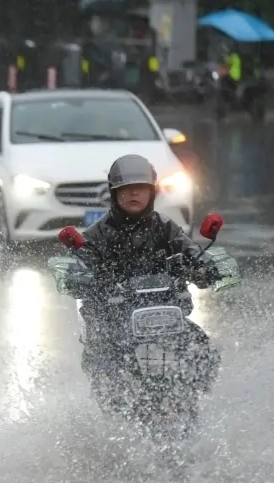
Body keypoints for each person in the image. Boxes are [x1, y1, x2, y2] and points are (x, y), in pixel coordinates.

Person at [76, 154, 220, 398]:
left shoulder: (164, 227)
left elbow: (190, 250)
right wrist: (85, 277)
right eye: (127, 189)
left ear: (151, 192)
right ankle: (112, 407)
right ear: (114, 193)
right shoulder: (97, 233)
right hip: (115, 316)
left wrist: (203, 267)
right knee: (104, 358)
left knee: (200, 347)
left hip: (162, 311)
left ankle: (193, 398)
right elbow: (80, 263)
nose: (134, 194)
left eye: (140, 189)